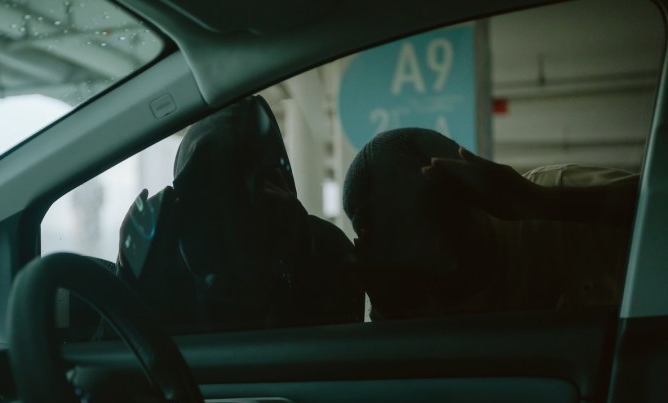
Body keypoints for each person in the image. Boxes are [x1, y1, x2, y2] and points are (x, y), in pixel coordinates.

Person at [117, 96, 364, 332]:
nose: (230, 215)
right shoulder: (324, 243)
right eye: (209, 186)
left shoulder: (164, 253)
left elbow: (122, 353)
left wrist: (131, 271)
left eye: (242, 187)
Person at [342, 127, 638, 320]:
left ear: (471, 180)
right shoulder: (410, 309)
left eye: (434, 198)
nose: (427, 233)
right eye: (397, 228)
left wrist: (544, 203)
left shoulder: (556, 196)